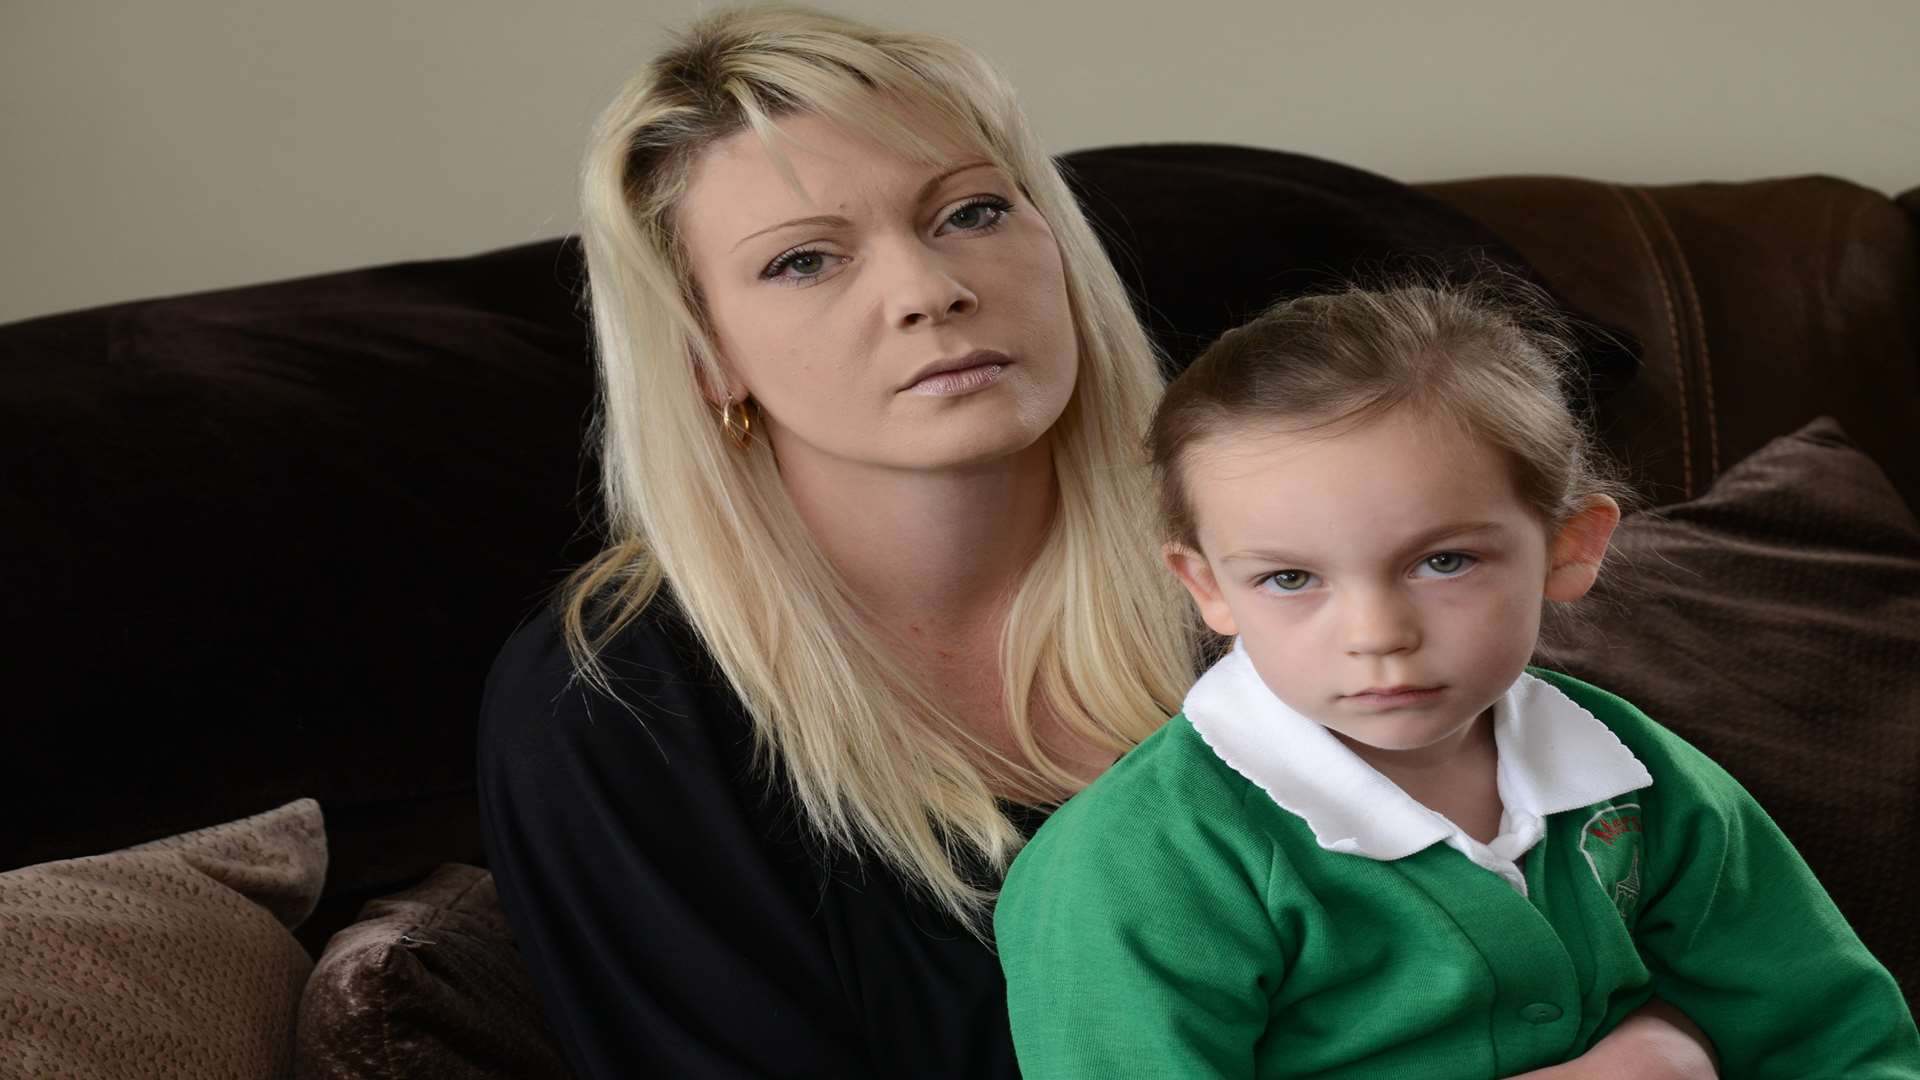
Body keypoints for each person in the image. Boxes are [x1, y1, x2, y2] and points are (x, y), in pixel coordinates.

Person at [478, 6, 1725, 1077]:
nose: (927, 288)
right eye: (806, 261)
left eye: (970, 212)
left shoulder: (1274, 560)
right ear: (704, 359)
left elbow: (1651, 907)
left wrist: (1670, 1037)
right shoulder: (617, 706)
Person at [994, 281, 1920, 1078]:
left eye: (1443, 562)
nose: (1378, 637)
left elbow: (1830, 1031)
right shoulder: (1139, 866)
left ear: (1570, 547)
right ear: (1209, 588)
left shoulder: (1637, 774)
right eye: (1290, 579)